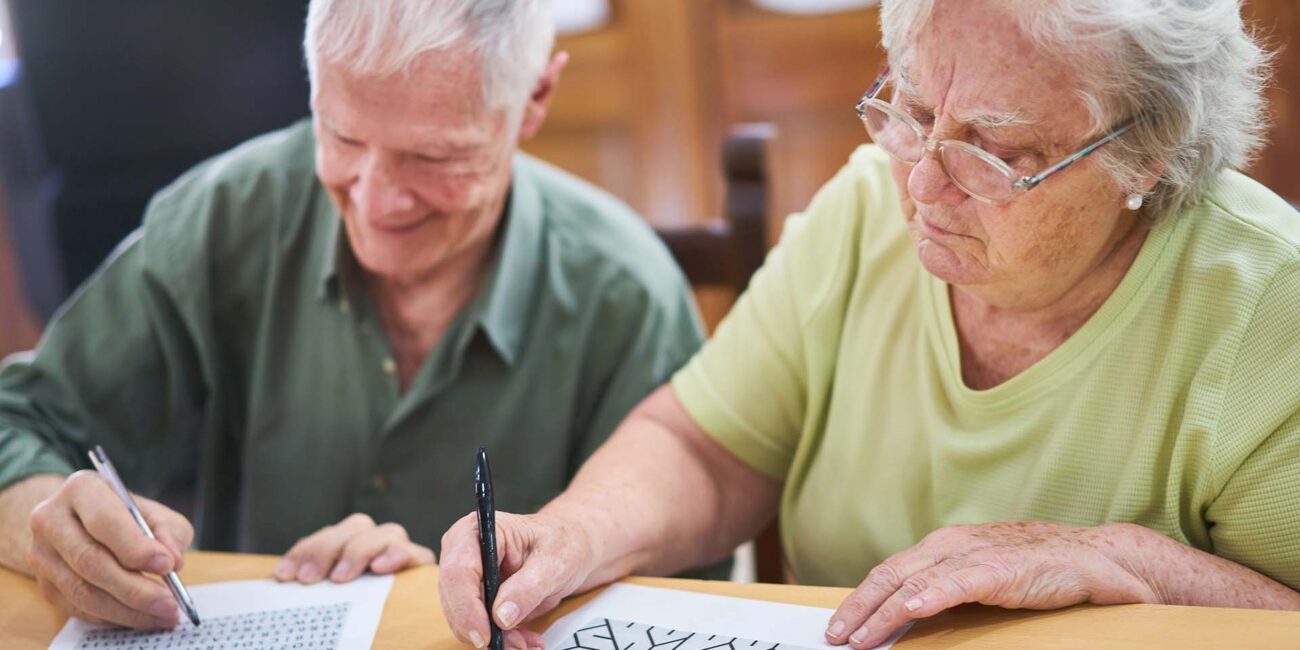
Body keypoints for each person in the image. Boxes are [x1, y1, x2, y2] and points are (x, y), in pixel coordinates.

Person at [438, 0, 1300, 647]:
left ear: (1147, 151)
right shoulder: (862, 209)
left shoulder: (1270, 306)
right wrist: (574, 533)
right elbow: (704, 448)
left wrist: (1138, 565)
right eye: (915, 115)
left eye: (994, 151)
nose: (922, 186)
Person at [0, 0, 710, 631]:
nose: (374, 201)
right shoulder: (224, 219)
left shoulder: (628, 299)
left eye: (432, 156)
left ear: (535, 97)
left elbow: (677, 597)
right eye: (341, 138)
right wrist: (51, 525)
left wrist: (449, 597)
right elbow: (17, 422)